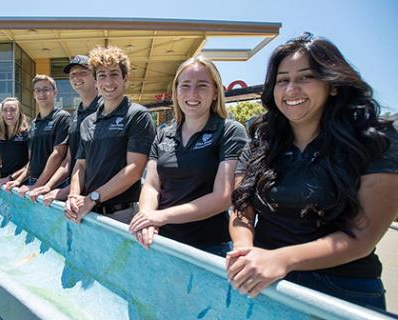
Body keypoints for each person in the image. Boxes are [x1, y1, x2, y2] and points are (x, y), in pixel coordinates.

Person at [226, 33, 398, 311]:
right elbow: (240, 209)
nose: (291, 89)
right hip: (264, 282)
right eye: (283, 80)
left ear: (332, 84)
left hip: (343, 291)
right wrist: (245, 250)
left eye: (305, 77)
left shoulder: (374, 140)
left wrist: (282, 260)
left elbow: (362, 236)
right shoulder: (260, 141)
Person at [128, 56, 248, 256]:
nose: (192, 93)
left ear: (215, 93)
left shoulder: (229, 131)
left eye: (202, 85)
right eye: (185, 85)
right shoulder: (163, 133)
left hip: (209, 248)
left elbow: (223, 197)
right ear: (176, 91)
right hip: (161, 242)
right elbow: (151, 185)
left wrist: (159, 216)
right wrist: (147, 217)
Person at [65, 46, 155, 224]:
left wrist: (92, 198)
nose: (108, 82)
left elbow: (134, 170)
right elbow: (80, 166)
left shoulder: (137, 115)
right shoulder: (87, 122)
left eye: (114, 74)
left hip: (120, 215)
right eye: (102, 76)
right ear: (96, 82)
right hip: (86, 211)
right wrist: (74, 196)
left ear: (125, 79)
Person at [28, 55, 100, 204]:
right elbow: (69, 160)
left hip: (100, 199)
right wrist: (47, 186)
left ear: (95, 77)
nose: (77, 77)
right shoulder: (75, 117)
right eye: (73, 74)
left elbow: (100, 163)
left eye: (83, 72)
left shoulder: (105, 111)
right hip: (76, 197)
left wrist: (65, 191)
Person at [4, 75, 71, 196]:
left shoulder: (62, 118)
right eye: (38, 90)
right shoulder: (34, 123)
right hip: (34, 182)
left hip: (53, 185)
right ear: (34, 95)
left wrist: (37, 186)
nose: (41, 93)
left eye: (46, 89)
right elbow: (32, 160)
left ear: (55, 92)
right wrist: (18, 180)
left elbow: (58, 155)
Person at [0, 97, 29, 190]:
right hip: (3, 184)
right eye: (5, 110)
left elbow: (32, 164)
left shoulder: (27, 134)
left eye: (12, 110)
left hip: (23, 184)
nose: (8, 113)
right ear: (2, 113)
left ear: (19, 113)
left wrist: (11, 178)